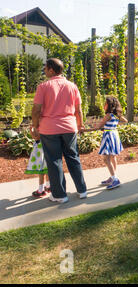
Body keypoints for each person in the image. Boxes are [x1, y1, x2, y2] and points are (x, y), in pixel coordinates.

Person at [31, 58, 87, 204]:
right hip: (69, 127)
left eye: (45, 68)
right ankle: (82, 191)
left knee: (54, 161)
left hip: (49, 129)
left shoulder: (43, 86)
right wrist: (80, 126)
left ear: (51, 69)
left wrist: (35, 126)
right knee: (73, 158)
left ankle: (60, 195)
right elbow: (78, 110)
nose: (44, 70)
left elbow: (36, 110)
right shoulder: (72, 86)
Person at [95, 96, 128, 189]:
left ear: (108, 105)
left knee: (106, 159)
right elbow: (125, 121)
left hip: (108, 137)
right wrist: (113, 126)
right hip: (114, 134)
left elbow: (98, 127)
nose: (103, 105)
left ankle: (115, 179)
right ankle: (113, 176)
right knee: (113, 156)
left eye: (105, 103)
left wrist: (83, 130)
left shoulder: (108, 115)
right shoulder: (116, 115)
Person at [25, 127, 50, 198]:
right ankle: (48, 186)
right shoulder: (47, 125)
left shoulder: (38, 125)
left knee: (41, 172)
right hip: (47, 149)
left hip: (40, 153)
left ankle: (41, 190)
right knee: (47, 169)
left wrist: (31, 130)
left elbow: (36, 137)